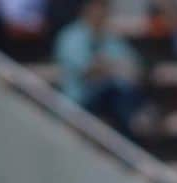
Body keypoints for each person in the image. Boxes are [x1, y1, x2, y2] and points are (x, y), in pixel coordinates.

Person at [54, 0, 148, 137]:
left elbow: (134, 67)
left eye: (104, 7)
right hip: (82, 100)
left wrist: (107, 66)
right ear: (87, 8)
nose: (101, 12)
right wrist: (113, 67)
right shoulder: (71, 36)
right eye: (97, 7)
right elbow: (88, 71)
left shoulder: (111, 36)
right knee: (115, 96)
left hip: (114, 99)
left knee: (123, 96)